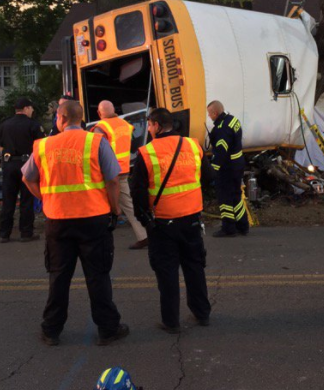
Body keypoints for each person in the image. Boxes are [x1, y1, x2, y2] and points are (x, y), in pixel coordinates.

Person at [22, 99, 129, 347]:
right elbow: (113, 180)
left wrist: (46, 198)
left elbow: (27, 178)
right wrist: (114, 208)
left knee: (59, 276)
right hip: (93, 219)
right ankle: (107, 328)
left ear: (60, 118)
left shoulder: (44, 145)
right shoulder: (96, 142)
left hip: (58, 220)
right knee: (97, 276)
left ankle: (51, 330)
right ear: (81, 119)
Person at [132, 108, 211, 333]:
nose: (148, 129)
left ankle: (171, 321)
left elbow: (137, 191)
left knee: (166, 272)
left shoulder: (147, 153)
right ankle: (202, 313)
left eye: (149, 125)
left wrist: (143, 218)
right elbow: (207, 177)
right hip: (192, 218)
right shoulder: (193, 145)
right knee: (195, 266)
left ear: (157, 125)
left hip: (163, 222)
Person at [92, 100, 146, 250]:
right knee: (123, 202)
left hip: (109, 172)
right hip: (123, 168)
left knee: (123, 204)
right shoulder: (124, 124)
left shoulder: (101, 128)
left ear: (99, 113)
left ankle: (144, 235)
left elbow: (96, 151)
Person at [0, 97, 44, 243]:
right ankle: (26, 233)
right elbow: (41, 146)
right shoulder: (33, 125)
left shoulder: (5, 124)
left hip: (9, 165)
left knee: (8, 199)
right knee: (27, 200)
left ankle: (4, 234)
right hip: (27, 164)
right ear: (26, 109)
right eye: (31, 108)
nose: (33, 111)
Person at [206, 100, 249, 237]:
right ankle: (242, 226)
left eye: (209, 114)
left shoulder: (221, 129)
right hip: (238, 164)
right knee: (236, 196)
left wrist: (213, 171)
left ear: (215, 113)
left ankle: (228, 228)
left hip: (227, 168)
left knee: (224, 198)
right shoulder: (232, 120)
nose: (209, 117)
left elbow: (220, 153)